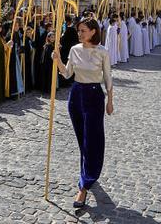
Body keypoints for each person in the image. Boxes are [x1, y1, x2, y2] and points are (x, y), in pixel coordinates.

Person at [52, 17, 114, 208]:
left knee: (92, 139)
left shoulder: (102, 52)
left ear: (93, 32)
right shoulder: (74, 49)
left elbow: (108, 78)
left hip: (94, 96)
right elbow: (67, 73)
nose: (79, 34)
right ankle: (88, 172)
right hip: (76, 95)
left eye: (83, 30)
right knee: (82, 139)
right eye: (79, 30)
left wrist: (110, 101)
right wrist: (58, 60)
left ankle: (84, 185)